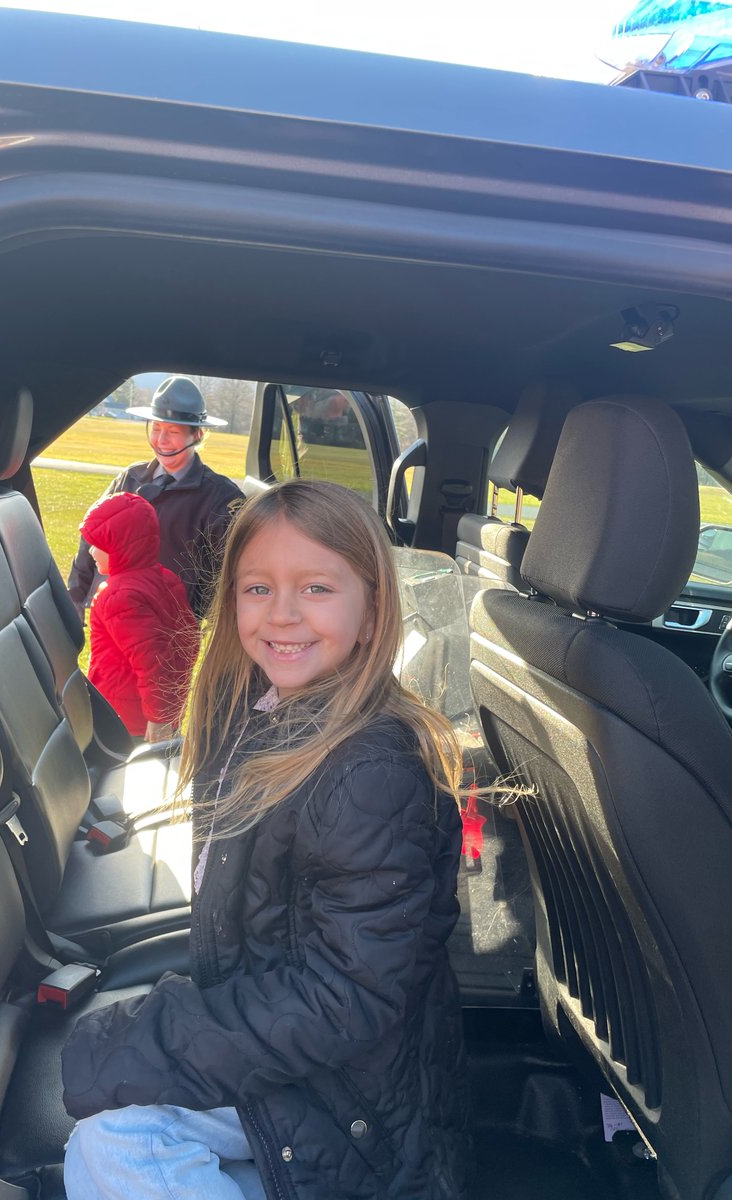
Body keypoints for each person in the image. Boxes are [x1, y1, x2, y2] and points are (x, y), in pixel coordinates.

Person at [61, 478, 471, 1200]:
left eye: (316, 588)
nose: (282, 613)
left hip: (355, 1105)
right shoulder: (257, 709)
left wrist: (150, 1038)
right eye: (257, 589)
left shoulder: (373, 770)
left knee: (116, 1139)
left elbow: (345, 996)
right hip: (299, 1049)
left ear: (373, 613)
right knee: (102, 1132)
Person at [68, 376, 245, 620]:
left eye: (172, 431)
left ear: (198, 435)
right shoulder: (130, 478)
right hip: (111, 611)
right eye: (156, 429)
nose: (161, 440)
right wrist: (76, 596)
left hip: (167, 626)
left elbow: (227, 570)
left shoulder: (219, 497)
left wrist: (189, 614)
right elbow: (91, 538)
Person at [80, 490, 199, 742]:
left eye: (99, 544)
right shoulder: (166, 579)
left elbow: (153, 664)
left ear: (119, 546)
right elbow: (189, 642)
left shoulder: (119, 597)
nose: (91, 552)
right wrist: (170, 710)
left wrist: (159, 720)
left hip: (126, 718)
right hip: (158, 710)